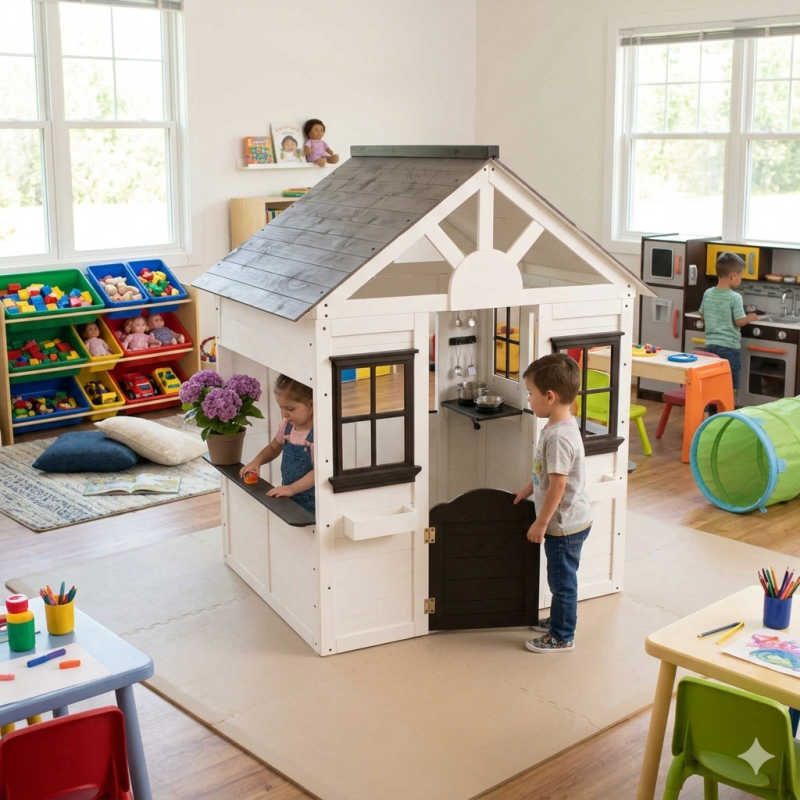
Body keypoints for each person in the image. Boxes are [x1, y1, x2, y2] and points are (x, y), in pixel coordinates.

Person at [514, 353, 592, 653]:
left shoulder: (559, 437)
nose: (529, 399)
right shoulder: (557, 426)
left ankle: (562, 635)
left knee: (562, 582)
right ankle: (559, 619)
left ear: (550, 396)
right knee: (560, 578)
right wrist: (528, 489)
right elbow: (546, 475)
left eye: (531, 393)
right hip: (569, 520)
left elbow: (558, 486)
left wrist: (541, 523)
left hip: (563, 526)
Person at [239, 374, 315, 513]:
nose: (285, 414)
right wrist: (257, 462)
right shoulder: (287, 426)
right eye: (282, 408)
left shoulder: (317, 435)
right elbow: (274, 447)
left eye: (290, 409)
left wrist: (292, 489)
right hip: (289, 495)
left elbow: (318, 472)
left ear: (311, 405)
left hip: (313, 502)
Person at [699, 252, 758, 397]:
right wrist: (750, 317)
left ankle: (712, 411)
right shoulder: (735, 297)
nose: (741, 279)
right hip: (729, 349)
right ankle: (728, 410)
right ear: (732, 276)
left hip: (710, 346)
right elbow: (739, 321)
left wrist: (715, 320)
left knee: (713, 384)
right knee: (730, 387)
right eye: (740, 276)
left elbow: (702, 314)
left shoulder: (708, 293)